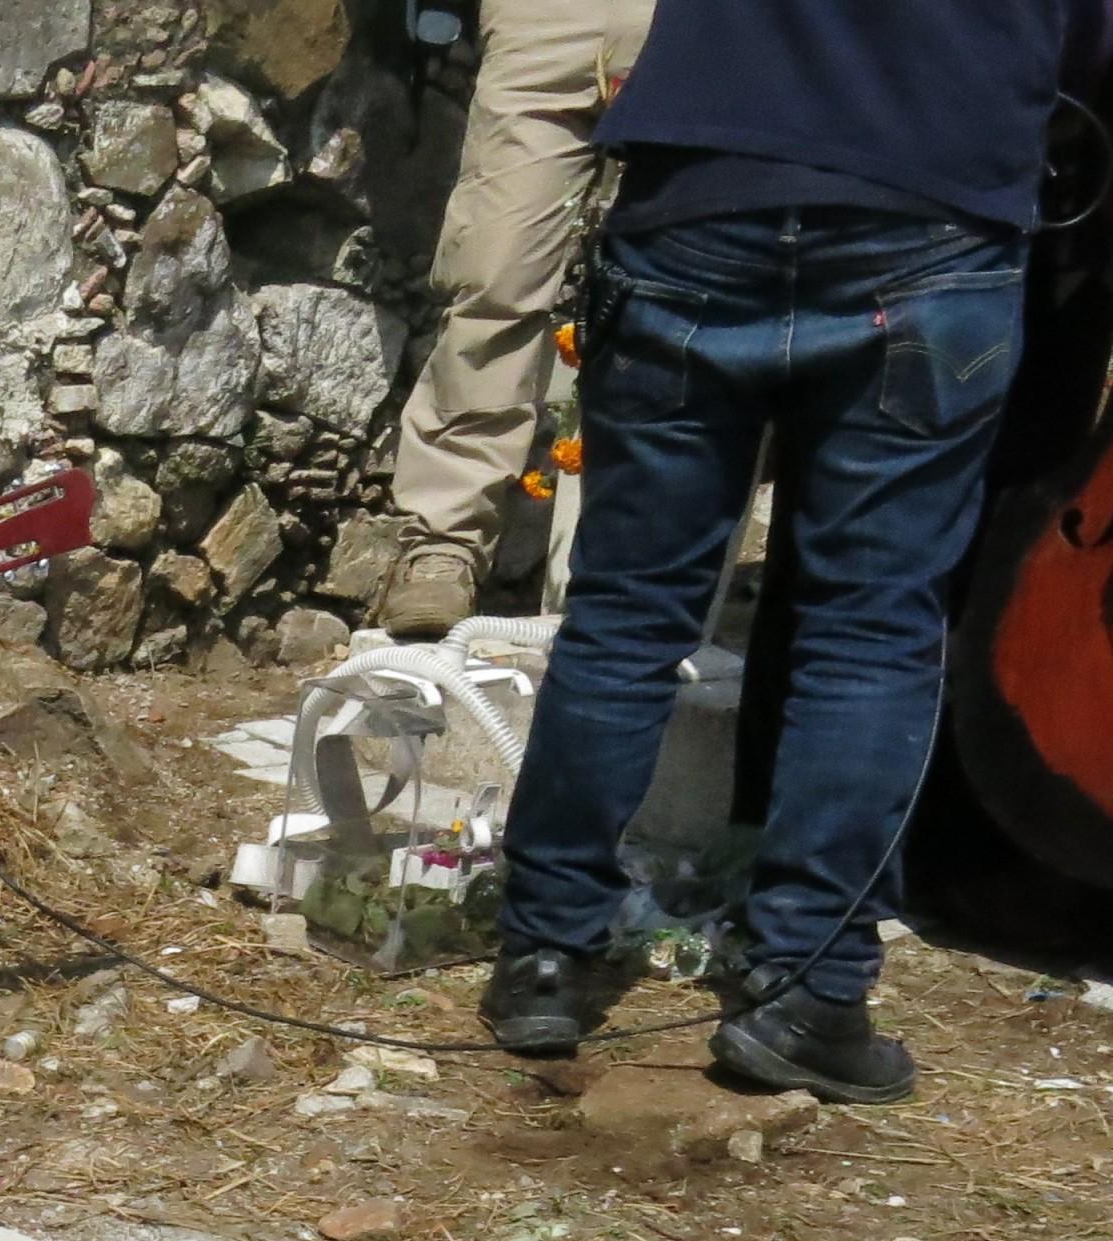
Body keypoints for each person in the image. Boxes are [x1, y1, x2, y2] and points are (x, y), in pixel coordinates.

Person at [479, 0, 1107, 1101]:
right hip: (931, 212)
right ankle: (806, 990)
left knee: (626, 610)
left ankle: (544, 954)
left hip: (700, 192)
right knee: (868, 631)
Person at [382, 0, 654, 637]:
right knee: (494, 277)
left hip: (706, 27)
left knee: (688, 281)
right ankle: (443, 545)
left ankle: (649, 555)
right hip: (546, 20)